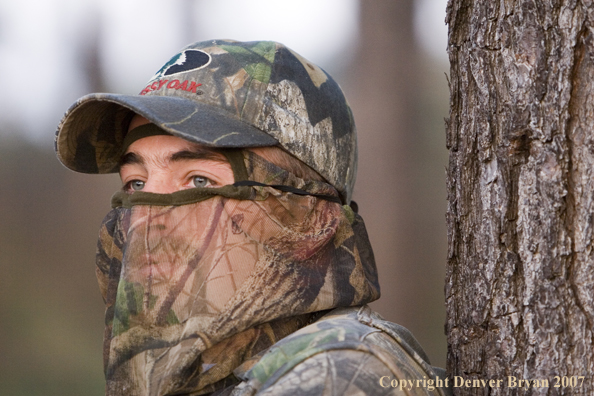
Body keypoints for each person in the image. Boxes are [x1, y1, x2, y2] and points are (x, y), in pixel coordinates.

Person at [55, 39, 450, 396]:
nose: (143, 218)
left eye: (198, 179)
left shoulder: (339, 375)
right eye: (136, 184)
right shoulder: (201, 374)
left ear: (301, 214)